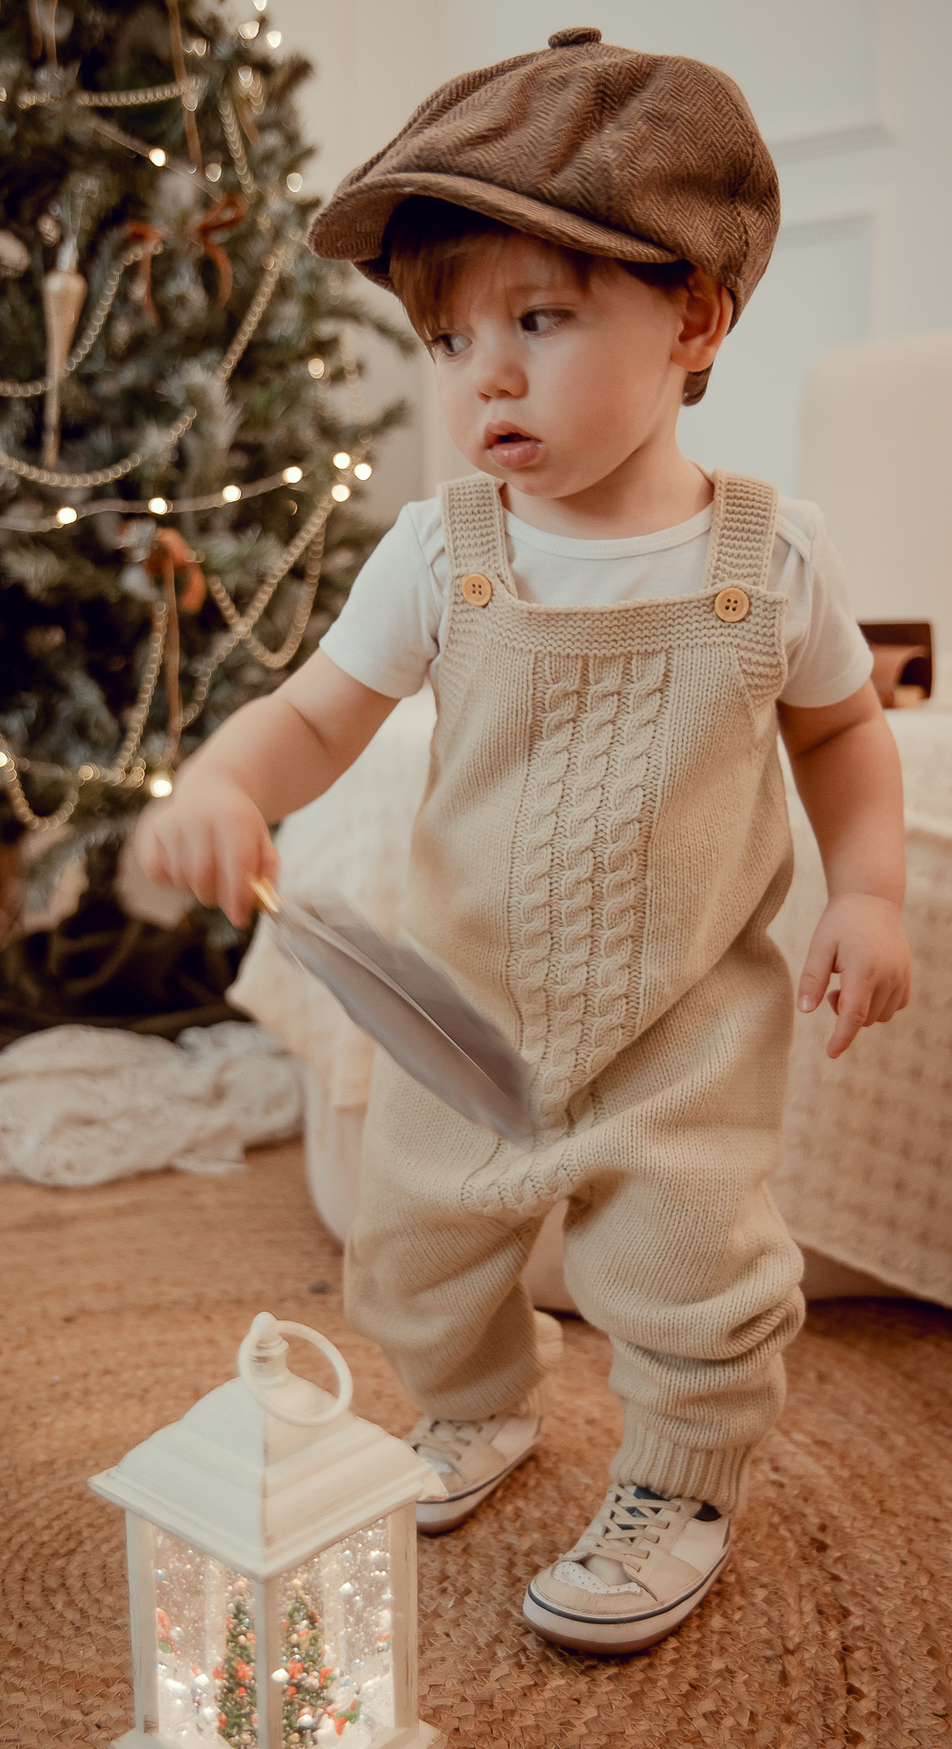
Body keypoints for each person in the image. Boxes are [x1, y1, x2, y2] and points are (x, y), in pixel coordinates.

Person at [133, 27, 911, 1654]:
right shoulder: (442, 552)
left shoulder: (771, 557)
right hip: (460, 1007)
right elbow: (317, 715)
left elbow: (845, 733)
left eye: (539, 319)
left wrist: (871, 888)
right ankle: (479, 1400)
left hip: (684, 1025)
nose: (484, 372)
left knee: (696, 1269)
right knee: (410, 1258)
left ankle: (680, 1481)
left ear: (693, 318)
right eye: (450, 334)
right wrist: (225, 779)